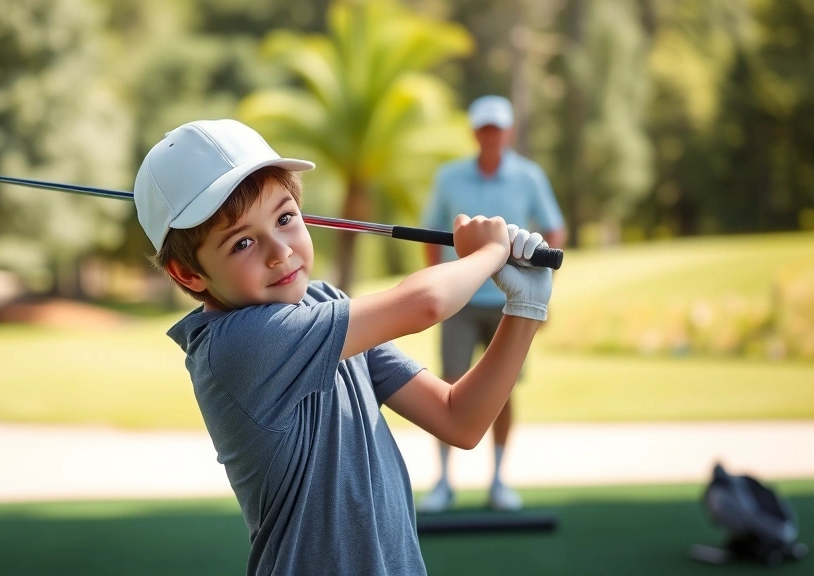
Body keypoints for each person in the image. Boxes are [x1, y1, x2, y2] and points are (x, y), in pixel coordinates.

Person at [135, 118, 553, 576]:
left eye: (285, 217)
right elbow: (427, 305)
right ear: (187, 275)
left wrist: (524, 308)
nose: (280, 251)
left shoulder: (325, 306)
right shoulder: (238, 346)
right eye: (243, 242)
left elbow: (460, 418)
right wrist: (487, 254)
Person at [418, 95, 567, 514]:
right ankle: (445, 482)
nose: (491, 136)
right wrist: (437, 288)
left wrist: (544, 285)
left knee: (503, 390)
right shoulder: (449, 178)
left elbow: (555, 229)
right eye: (484, 129)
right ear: (474, 133)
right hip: (459, 301)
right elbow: (431, 235)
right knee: (447, 384)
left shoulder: (528, 176)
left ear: (508, 132)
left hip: (511, 300)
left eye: (497, 129)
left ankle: (499, 479)